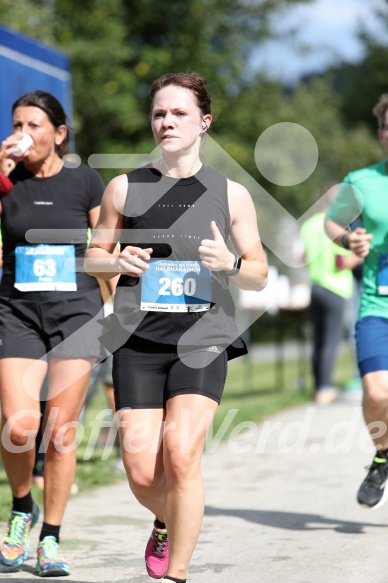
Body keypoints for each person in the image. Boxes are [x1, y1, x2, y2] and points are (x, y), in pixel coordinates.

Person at [85, 72, 268, 583]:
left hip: (202, 339)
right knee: (144, 473)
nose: (166, 121)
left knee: (182, 456)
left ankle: (177, 574)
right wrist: (118, 259)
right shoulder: (124, 187)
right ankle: (165, 519)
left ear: (204, 122)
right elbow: (92, 259)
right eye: (160, 113)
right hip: (137, 341)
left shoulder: (230, 194)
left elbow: (258, 274)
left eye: (179, 113)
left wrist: (229, 263)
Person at [0, 90, 107, 576]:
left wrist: (111, 308)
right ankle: (23, 506)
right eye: (17, 125)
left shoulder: (85, 180)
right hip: (16, 312)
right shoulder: (7, 181)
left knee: (60, 433)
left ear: (60, 134)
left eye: (34, 125)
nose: (23, 134)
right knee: (20, 427)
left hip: (76, 315)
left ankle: (51, 539)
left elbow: (104, 248)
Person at [325, 93, 388, 510]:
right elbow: (331, 221)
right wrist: (350, 237)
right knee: (377, 391)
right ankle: (383, 455)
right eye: (386, 126)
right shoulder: (362, 181)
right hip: (377, 306)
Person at [300, 187, 363, 404]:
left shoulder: (308, 225)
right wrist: (361, 255)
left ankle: (319, 386)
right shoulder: (335, 228)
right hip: (335, 287)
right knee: (331, 340)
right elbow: (341, 263)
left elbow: (304, 258)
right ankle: (325, 389)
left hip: (315, 286)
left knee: (318, 340)